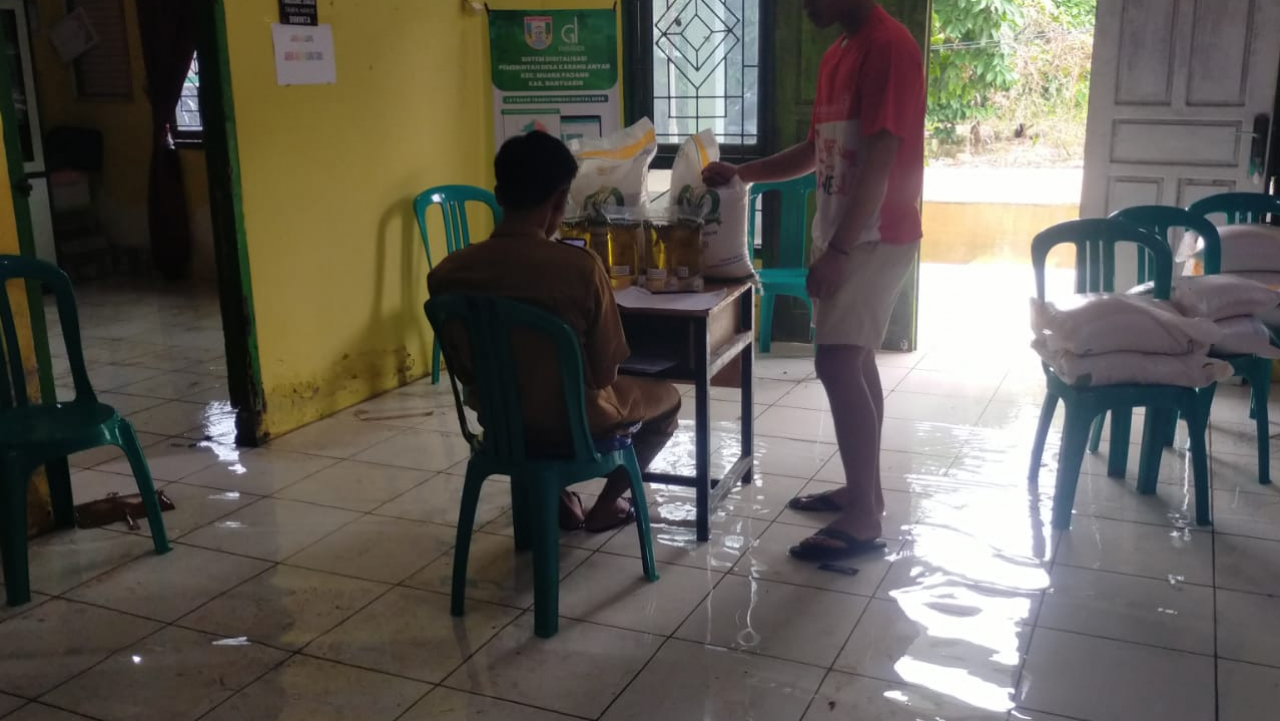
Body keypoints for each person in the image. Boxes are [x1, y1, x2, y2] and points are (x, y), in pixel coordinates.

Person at [704, 0, 925, 561]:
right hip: (846, 231)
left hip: (876, 234)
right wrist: (743, 172)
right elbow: (815, 150)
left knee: (834, 361)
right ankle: (862, 491)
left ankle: (864, 519)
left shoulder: (889, 45)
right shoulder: (838, 54)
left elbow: (882, 156)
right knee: (855, 360)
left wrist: (842, 250)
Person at [428, 131, 681, 533]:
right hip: (578, 428)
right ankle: (607, 505)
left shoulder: (447, 274)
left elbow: (467, 370)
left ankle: (558, 499)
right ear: (560, 201)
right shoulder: (579, 269)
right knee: (668, 398)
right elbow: (604, 375)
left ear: (498, 194)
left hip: (502, 428)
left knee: (527, 401)